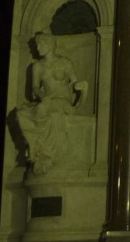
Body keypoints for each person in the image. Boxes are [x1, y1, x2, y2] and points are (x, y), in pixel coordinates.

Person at [15, 34, 88, 175]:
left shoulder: (65, 63)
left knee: (42, 109)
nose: (38, 48)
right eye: (37, 46)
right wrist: (41, 95)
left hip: (63, 102)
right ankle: (33, 143)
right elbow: (35, 88)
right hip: (47, 101)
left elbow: (74, 82)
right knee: (20, 114)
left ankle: (38, 148)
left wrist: (80, 86)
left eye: (41, 45)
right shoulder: (37, 66)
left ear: (50, 45)